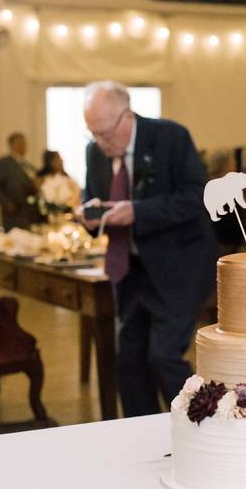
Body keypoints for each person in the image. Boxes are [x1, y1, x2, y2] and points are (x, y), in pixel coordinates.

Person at [78, 81, 217, 417]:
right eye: (92, 134)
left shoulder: (170, 137)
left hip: (179, 264)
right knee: (129, 361)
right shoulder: (95, 152)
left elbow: (195, 198)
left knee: (164, 355)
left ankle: (202, 422)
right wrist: (88, 213)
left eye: (105, 133)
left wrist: (137, 211)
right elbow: (91, 197)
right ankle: (140, 433)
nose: (99, 142)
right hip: (130, 269)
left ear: (126, 116)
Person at [0, 132, 41, 230]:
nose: (23, 147)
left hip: (29, 212)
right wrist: (6, 203)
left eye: (24, 144)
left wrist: (36, 186)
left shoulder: (28, 166)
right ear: (11, 145)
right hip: (14, 212)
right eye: (19, 144)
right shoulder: (4, 163)